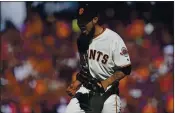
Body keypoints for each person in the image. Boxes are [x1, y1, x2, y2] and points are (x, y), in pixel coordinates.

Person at [65, 4, 131, 113]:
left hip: (108, 92)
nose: (81, 24)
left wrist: (105, 83)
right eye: (79, 20)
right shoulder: (82, 40)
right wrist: (76, 83)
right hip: (87, 90)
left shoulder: (113, 39)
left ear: (95, 19)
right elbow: (86, 69)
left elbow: (126, 69)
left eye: (85, 21)